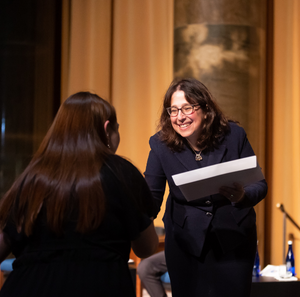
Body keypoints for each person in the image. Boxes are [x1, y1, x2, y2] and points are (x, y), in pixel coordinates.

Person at [0, 92, 158, 297]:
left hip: (28, 286)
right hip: (99, 285)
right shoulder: (121, 172)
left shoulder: (33, 177)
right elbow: (146, 248)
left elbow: (5, 240)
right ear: (106, 129)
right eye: (117, 130)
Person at [144, 78, 268, 297]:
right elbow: (150, 199)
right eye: (173, 110)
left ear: (206, 109)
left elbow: (259, 185)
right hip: (185, 241)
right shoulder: (160, 145)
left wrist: (242, 196)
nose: (180, 117)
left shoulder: (233, 135)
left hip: (233, 239)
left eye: (187, 108)